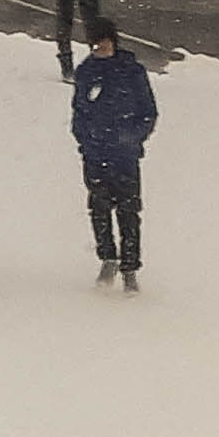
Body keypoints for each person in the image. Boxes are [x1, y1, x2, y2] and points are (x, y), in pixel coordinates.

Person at [69, 17, 158, 289]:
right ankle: (107, 258)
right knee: (99, 208)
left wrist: (131, 139)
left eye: (104, 43)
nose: (100, 48)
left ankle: (130, 268)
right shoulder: (86, 72)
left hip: (125, 155)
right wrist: (85, 142)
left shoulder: (132, 71)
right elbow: (79, 112)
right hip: (95, 154)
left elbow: (148, 112)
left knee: (128, 211)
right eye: (95, 44)